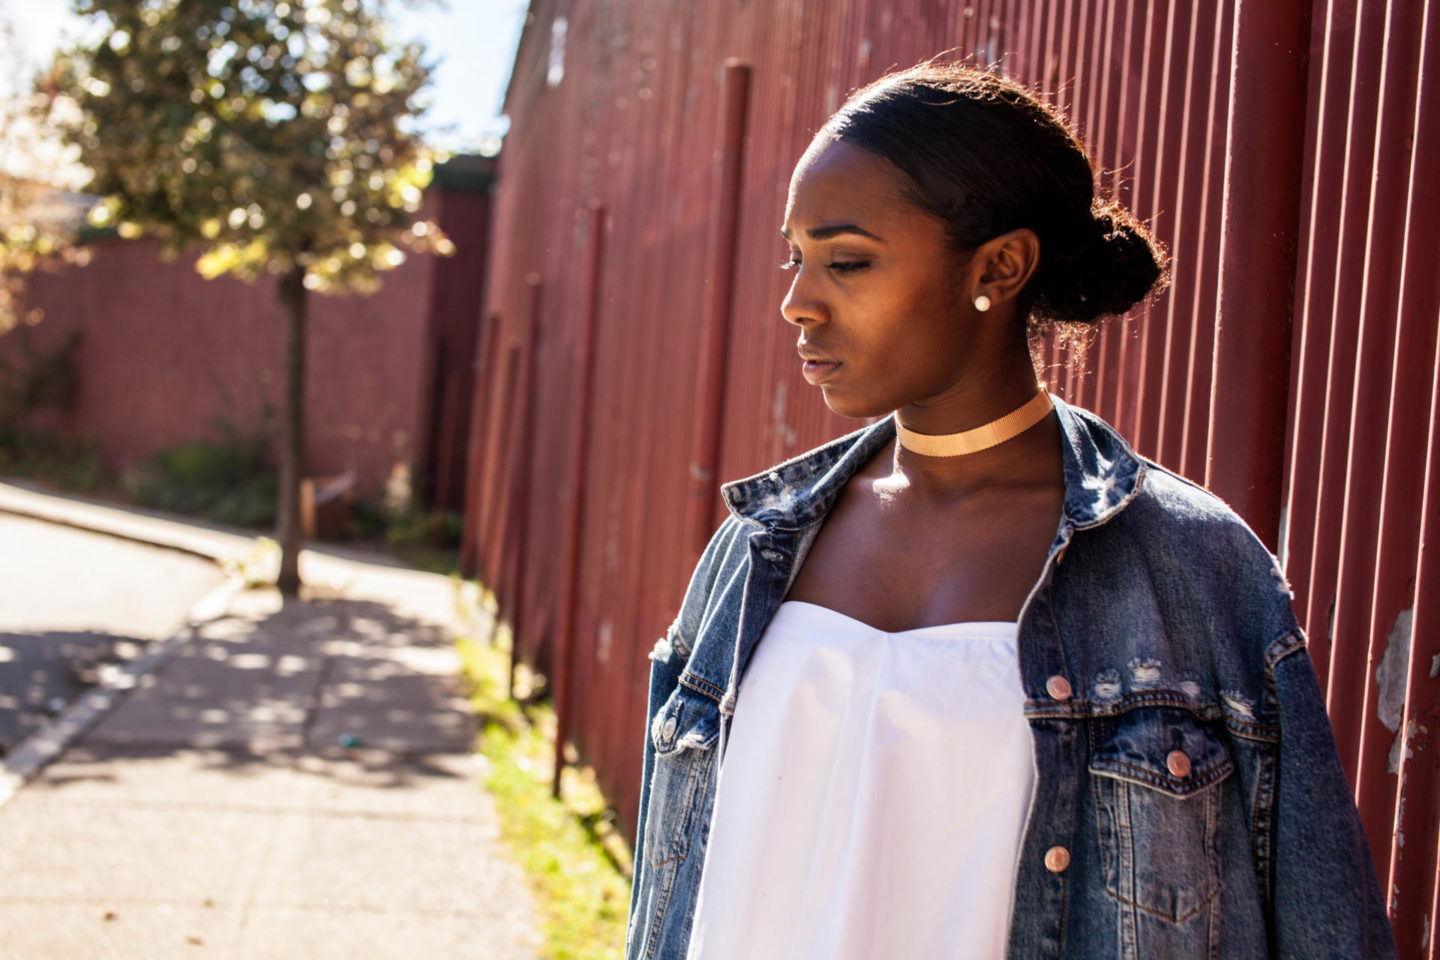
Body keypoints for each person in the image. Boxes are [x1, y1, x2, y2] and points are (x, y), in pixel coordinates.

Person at [624, 63, 1396, 960]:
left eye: (847, 261)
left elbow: (1325, 928)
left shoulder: (1193, 569)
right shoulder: (751, 551)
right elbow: (664, 898)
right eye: (795, 257)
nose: (798, 301)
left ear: (999, 267)